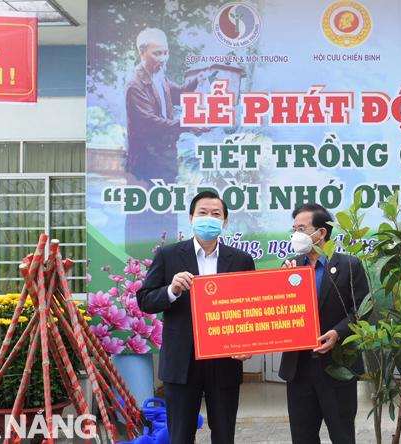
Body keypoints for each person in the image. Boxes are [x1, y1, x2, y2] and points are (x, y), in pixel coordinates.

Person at [137, 191, 254, 444]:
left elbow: (249, 308)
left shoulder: (242, 260)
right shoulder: (168, 255)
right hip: (181, 361)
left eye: (216, 214)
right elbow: (145, 300)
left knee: (224, 435)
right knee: (180, 435)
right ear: (191, 218)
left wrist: (248, 344)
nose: (208, 218)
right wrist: (171, 290)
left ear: (224, 222)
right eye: (202, 213)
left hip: (224, 361)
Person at [279, 203, 369, 444]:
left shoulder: (350, 266)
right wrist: (282, 282)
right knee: (302, 437)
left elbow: (361, 311)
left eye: (302, 228)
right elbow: (279, 311)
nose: (296, 235)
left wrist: (338, 333)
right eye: (294, 229)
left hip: (337, 367)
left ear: (322, 232)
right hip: (298, 370)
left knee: (342, 436)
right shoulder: (290, 268)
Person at [124, 28, 207, 254]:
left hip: (165, 160)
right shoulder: (136, 84)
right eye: (157, 54)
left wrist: (195, 82)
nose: (163, 59)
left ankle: (167, 262)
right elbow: (151, 122)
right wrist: (187, 124)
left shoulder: (159, 76)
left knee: (168, 214)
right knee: (144, 217)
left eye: (165, 53)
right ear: (142, 53)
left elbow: (177, 94)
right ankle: (138, 266)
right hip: (144, 165)